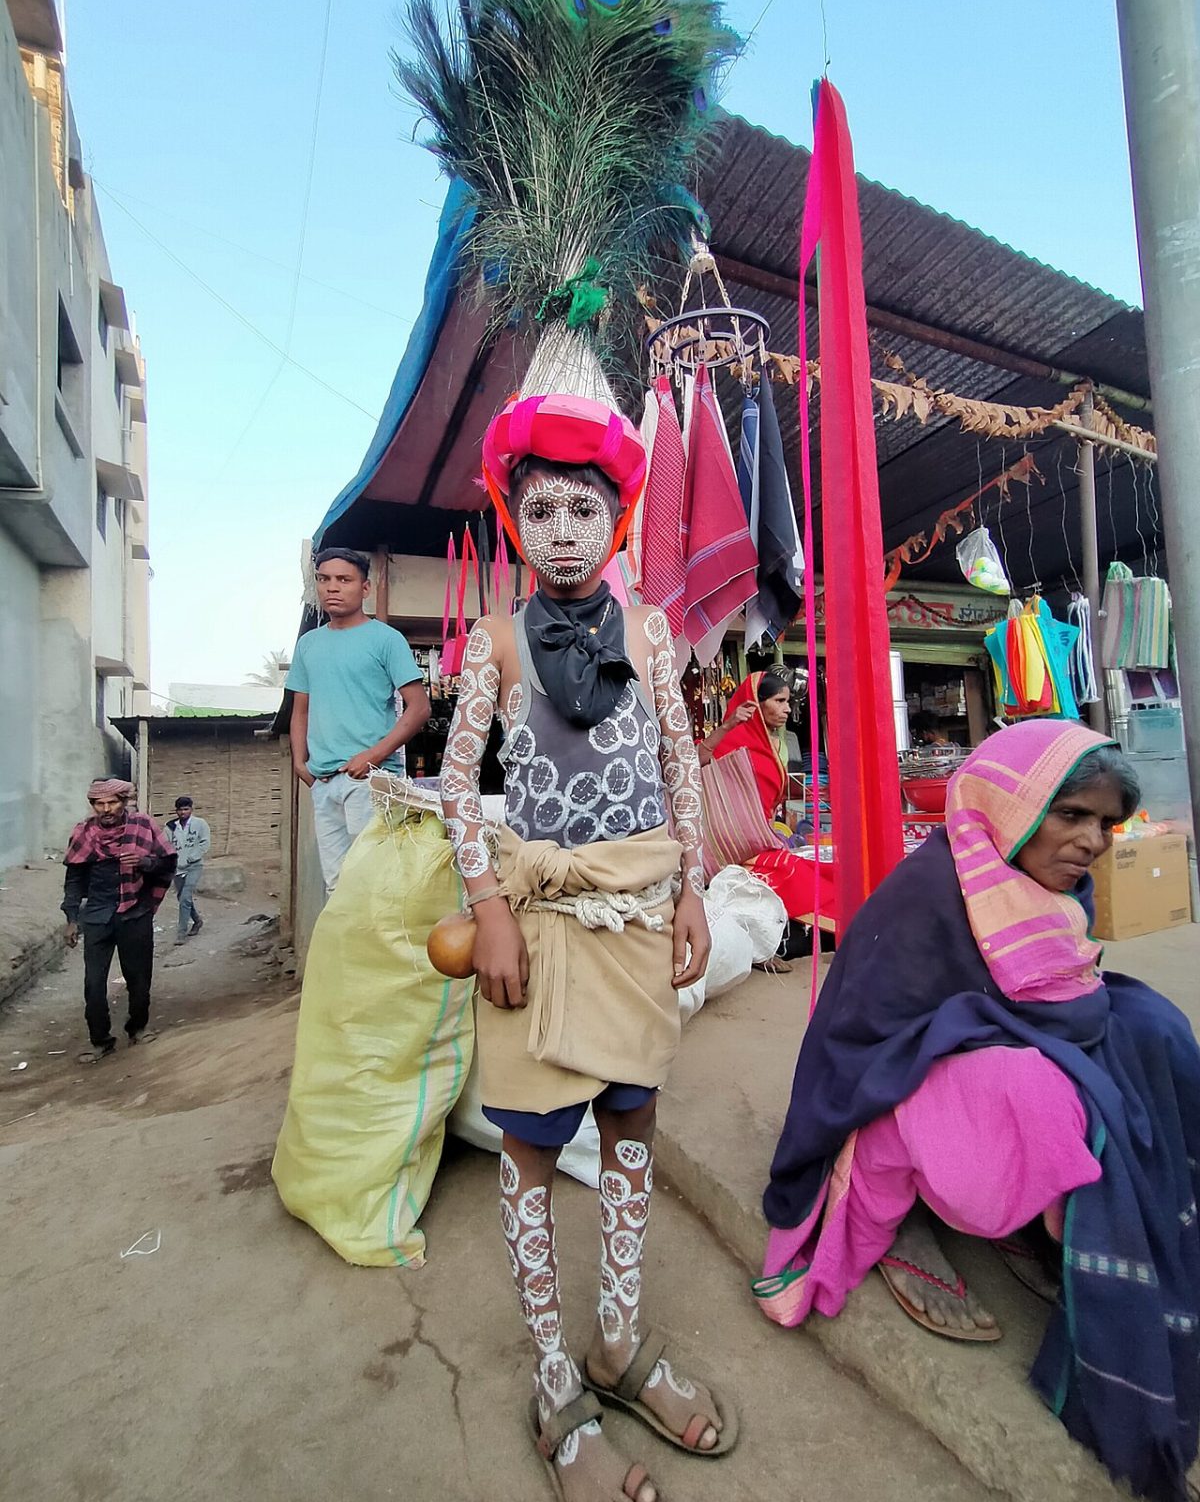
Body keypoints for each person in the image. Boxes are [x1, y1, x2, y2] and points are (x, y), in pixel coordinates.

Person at [755, 720, 1200, 1502]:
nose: (1092, 841)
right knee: (1041, 1096)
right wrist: (1000, 1034)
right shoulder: (930, 893)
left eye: (1105, 823)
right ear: (1011, 807)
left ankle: (1053, 1215)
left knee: (1155, 1031)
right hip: (884, 1093)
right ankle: (914, 1209)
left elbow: (1059, 995)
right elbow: (861, 1044)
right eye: (1072, 815)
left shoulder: (1045, 887)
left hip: (986, 1045)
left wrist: (1025, 1028)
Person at [441, 392, 735, 1502]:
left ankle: (615, 1339)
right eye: (541, 510)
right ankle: (556, 1382)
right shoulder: (494, 641)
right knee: (527, 1147)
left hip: (637, 917)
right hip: (538, 927)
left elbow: (679, 760)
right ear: (515, 522)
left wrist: (693, 889)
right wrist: (490, 907)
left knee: (631, 1123)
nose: (563, 531)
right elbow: (457, 785)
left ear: (619, 519)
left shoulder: (652, 632)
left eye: (584, 509)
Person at [286, 547, 431, 893]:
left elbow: (420, 707)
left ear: (365, 588)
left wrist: (373, 756)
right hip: (323, 781)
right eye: (324, 579)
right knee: (336, 885)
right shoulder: (308, 644)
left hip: (371, 779)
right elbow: (300, 709)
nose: (332, 587)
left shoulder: (386, 639)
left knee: (376, 881)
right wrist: (299, 762)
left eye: (344, 580)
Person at [62, 778, 177, 1063]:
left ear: (123, 802)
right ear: (93, 805)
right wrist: (72, 918)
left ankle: (138, 1028)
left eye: (112, 803)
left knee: (138, 978)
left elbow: (167, 862)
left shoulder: (143, 826)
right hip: (97, 916)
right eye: (99, 804)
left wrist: (144, 862)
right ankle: (100, 1041)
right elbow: (74, 879)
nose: (106, 809)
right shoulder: (83, 833)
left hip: (135, 914)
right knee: (93, 984)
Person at [698, 668, 794, 823]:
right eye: (779, 701)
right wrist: (726, 727)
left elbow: (773, 806)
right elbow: (692, 763)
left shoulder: (780, 747)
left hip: (764, 832)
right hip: (728, 832)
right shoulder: (728, 741)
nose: (787, 709)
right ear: (756, 702)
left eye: (787, 702)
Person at [166, 795, 211, 943]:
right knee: (182, 898)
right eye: (180, 810)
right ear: (176, 811)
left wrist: (193, 856)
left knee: (185, 897)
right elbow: (164, 844)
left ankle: (181, 933)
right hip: (177, 867)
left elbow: (205, 843)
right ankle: (197, 920)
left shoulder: (200, 824)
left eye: (186, 809)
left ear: (191, 809)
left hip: (194, 865)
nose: (183, 812)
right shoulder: (171, 827)